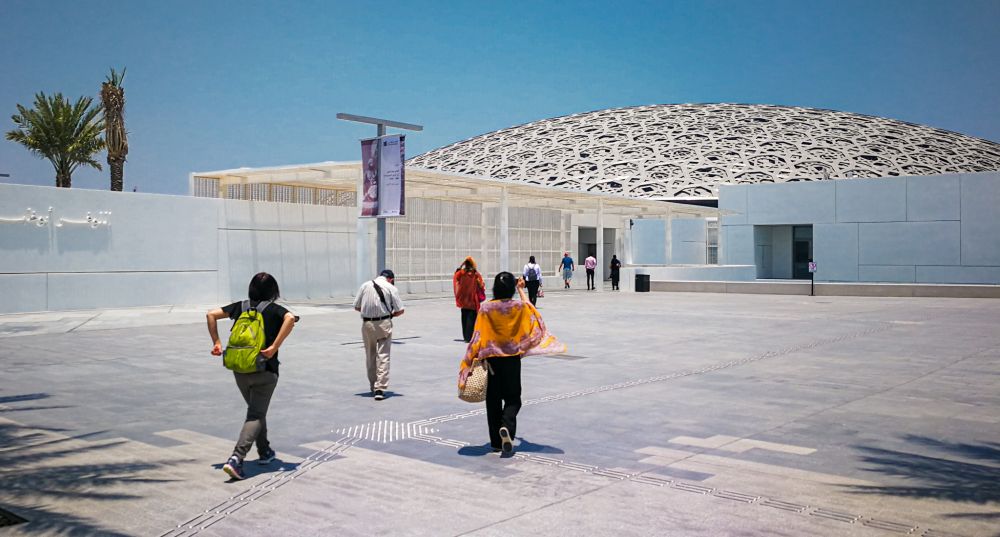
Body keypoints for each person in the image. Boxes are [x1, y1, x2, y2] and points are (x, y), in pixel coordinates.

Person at [458, 272, 566, 454]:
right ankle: (507, 425)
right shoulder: (519, 307)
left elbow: (477, 337)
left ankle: (496, 442)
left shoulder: (485, 309)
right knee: (513, 398)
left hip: (491, 361)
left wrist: (467, 362)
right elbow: (533, 313)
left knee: (493, 401)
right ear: (511, 288)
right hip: (512, 360)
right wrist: (521, 289)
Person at [206, 272, 297, 481]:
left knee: (256, 411)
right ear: (273, 291)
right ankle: (236, 459)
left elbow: (211, 314)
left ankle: (265, 451)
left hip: (240, 369)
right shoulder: (274, 309)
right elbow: (290, 318)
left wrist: (217, 342)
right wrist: (274, 347)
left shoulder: (241, 306)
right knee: (255, 414)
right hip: (265, 370)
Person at [354, 269, 405, 400]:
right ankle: (380, 389)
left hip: (367, 324)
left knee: (370, 355)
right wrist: (391, 314)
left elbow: (357, 306)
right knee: (383, 355)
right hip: (384, 324)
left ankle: (373, 386)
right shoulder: (391, 288)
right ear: (391, 279)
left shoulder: (365, 285)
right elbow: (400, 310)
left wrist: (369, 311)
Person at [453, 256, 486, 342]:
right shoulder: (476, 274)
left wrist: (460, 266)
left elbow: (455, 279)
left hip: (463, 300)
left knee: (464, 318)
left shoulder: (460, 273)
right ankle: (470, 337)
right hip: (473, 301)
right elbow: (481, 285)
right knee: (472, 319)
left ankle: (466, 337)